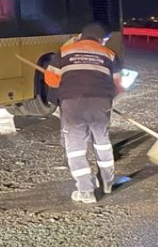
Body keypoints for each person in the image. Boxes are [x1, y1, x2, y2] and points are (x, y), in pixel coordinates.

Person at [43, 22, 123, 204]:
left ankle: (86, 191)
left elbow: (51, 80)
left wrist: (63, 90)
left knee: (76, 148)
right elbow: (118, 85)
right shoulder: (110, 55)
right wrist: (105, 100)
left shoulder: (65, 51)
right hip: (100, 103)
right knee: (102, 143)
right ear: (101, 39)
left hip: (72, 103)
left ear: (82, 35)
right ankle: (107, 182)